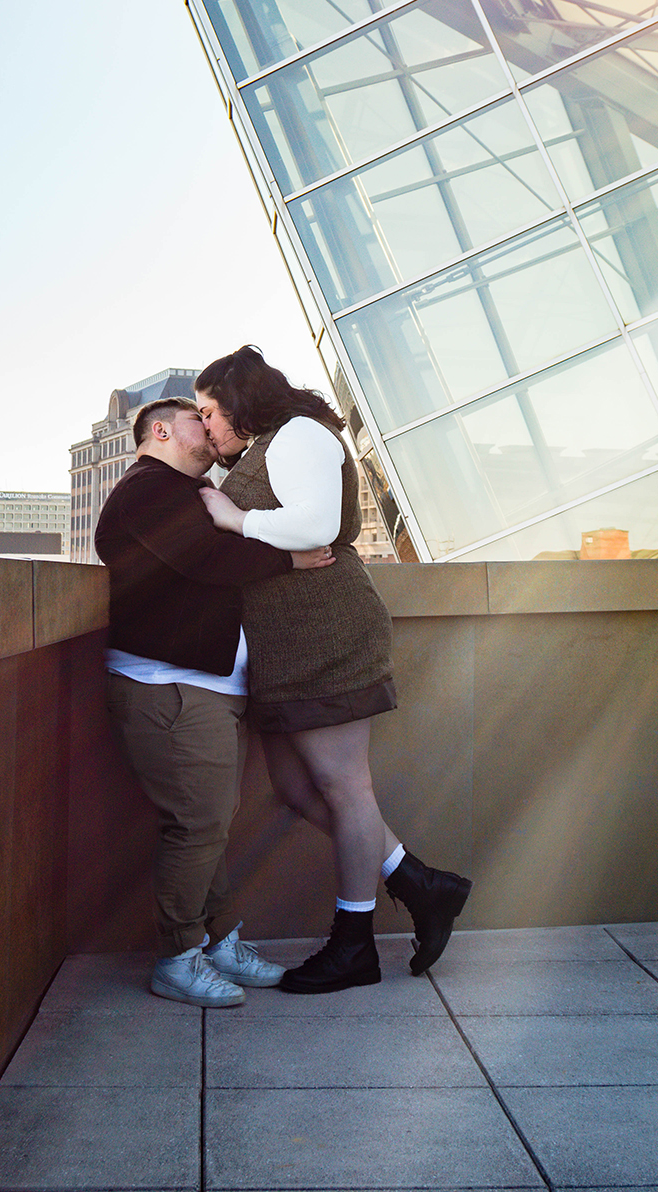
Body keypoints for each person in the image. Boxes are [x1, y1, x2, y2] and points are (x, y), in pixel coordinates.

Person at [195, 346, 471, 993]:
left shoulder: (300, 435)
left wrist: (232, 516)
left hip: (327, 636)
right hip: (286, 648)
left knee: (347, 789)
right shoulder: (266, 446)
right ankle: (418, 884)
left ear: (239, 399)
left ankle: (355, 945)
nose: (206, 425)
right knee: (297, 788)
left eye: (209, 411)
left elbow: (316, 525)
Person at [94, 395, 333, 1008]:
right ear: (164, 429)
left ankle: (217, 940)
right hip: (168, 686)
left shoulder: (181, 491)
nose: (213, 425)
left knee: (210, 828)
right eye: (201, 418)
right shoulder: (148, 488)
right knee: (197, 826)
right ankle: (178, 958)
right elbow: (205, 559)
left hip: (203, 685)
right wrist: (289, 557)